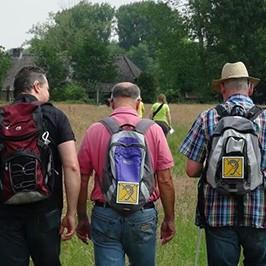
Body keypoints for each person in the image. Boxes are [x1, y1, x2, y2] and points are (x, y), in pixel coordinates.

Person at [76, 82, 176, 266]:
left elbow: (82, 178)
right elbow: (165, 179)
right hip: (143, 213)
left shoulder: (95, 130)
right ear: (138, 103)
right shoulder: (154, 130)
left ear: (112, 102)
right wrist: (169, 219)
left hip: (105, 212)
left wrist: (81, 217)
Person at [179, 61, 266, 266]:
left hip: (218, 213)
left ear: (222, 87)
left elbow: (191, 170)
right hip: (260, 212)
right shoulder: (264, 118)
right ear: (250, 88)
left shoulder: (207, 117)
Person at [0, 66, 81, 266]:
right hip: (46, 210)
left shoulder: (2, 118)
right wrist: (71, 212)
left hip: (5, 212)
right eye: (47, 88)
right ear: (36, 87)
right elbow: (71, 166)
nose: (48, 92)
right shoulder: (55, 116)